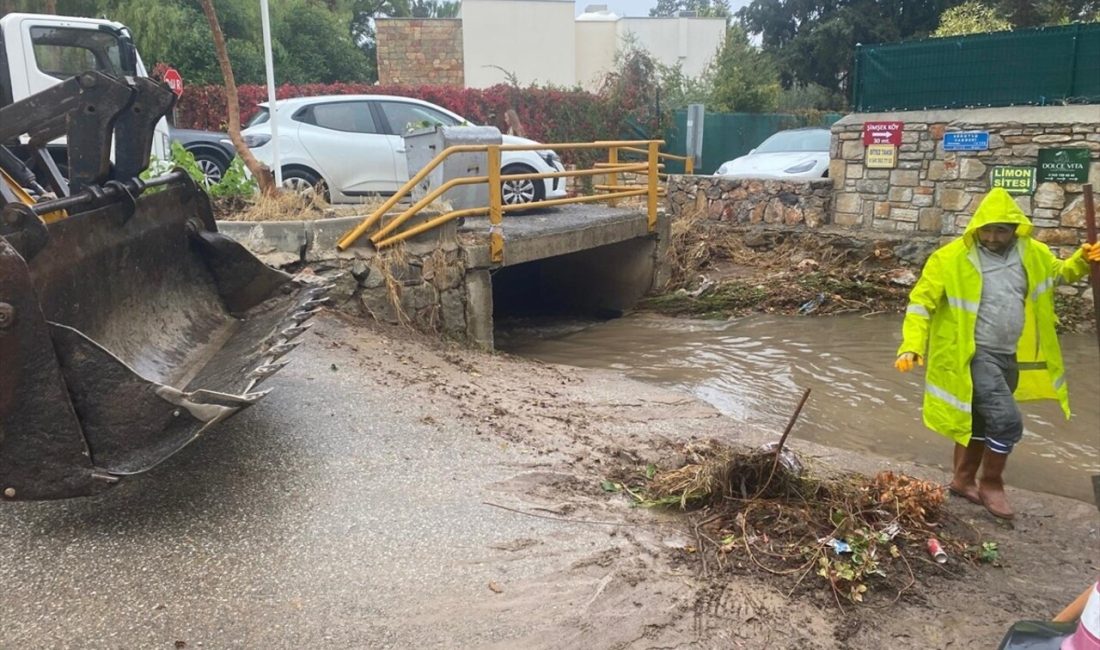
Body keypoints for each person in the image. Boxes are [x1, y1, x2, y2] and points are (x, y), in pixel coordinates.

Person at [894, 187, 1100, 519]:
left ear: (1015, 228)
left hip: (1007, 354)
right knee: (1006, 422)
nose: (991, 237)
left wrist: (1082, 259)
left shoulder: (1031, 253)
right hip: (973, 354)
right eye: (986, 229)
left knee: (979, 420)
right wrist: (912, 344)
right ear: (975, 228)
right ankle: (991, 483)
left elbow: (1059, 274)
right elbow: (921, 303)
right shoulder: (949, 259)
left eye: (1000, 230)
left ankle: (961, 480)